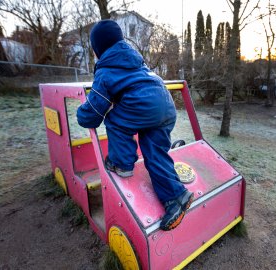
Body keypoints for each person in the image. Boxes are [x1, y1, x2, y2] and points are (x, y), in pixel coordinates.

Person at [76, 20, 193, 231]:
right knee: (155, 153)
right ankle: (176, 197)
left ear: (99, 49)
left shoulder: (105, 71)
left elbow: (93, 113)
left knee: (115, 121)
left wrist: (81, 114)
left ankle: (122, 163)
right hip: (165, 104)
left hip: (145, 105)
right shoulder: (136, 61)